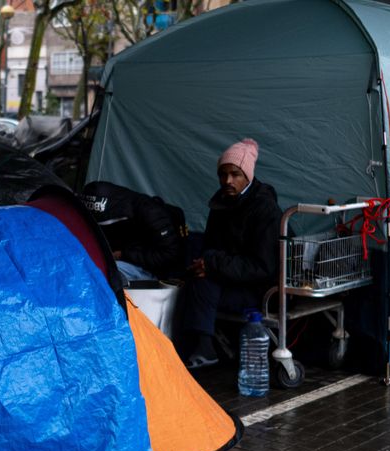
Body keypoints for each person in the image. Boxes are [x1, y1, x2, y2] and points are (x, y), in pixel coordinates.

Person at [179, 138, 283, 369]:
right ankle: (200, 346)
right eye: (223, 174)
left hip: (258, 289)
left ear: (248, 175)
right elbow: (212, 246)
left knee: (201, 285)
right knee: (193, 279)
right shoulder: (221, 204)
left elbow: (263, 267)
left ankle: (204, 348)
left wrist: (213, 264)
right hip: (229, 279)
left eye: (235, 174)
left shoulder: (265, 209)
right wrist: (204, 264)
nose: (227, 181)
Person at [81, 181, 186, 282]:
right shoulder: (102, 212)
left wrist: (123, 255)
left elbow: (170, 255)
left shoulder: (151, 213)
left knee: (102, 270)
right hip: (124, 261)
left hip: (151, 273)